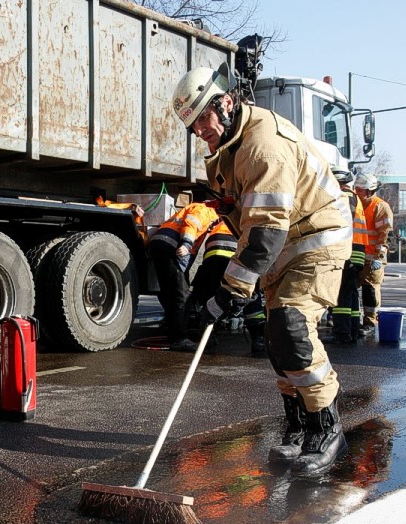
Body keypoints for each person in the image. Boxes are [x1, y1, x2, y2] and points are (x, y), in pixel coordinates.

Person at [172, 64, 352, 476]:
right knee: (276, 338)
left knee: (291, 326)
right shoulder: (222, 154)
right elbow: (246, 219)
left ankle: (327, 429)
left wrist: (230, 291)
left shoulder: (263, 145)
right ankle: (298, 426)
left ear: (227, 103)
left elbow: (267, 228)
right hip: (283, 246)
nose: (199, 130)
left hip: (315, 236)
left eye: (204, 117)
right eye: (192, 124)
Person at [190, 216, 266, 356]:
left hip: (214, 259)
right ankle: (259, 340)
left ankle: (208, 342)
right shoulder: (241, 222)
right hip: (236, 260)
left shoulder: (218, 226)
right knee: (249, 298)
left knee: (212, 299)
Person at [149, 201, 217, 351]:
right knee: (181, 295)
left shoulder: (194, 208)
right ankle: (178, 338)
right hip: (172, 245)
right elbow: (191, 223)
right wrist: (186, 243)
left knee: (170, 290)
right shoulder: (205, 210)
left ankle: (172, 326)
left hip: (161, 244)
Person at [325, 166, 368, 344]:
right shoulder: (353, 197)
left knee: (341, 291)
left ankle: (342, 333)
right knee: (351, 292)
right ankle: (353, 329)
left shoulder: (345, 196)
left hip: (348, 249)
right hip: (356, 249)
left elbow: (339, 222)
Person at [354, 173, 393, 337]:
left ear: (370, 191)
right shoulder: (356, 204)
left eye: (360, 190)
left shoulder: (380, 207)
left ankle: (370, 322)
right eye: (356, 189)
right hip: (357, 255)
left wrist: (379, 256)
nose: (357, 192)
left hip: (373, 258)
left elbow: (386, 235)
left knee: (370, 290)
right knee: (350, 290)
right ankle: (353, 321)